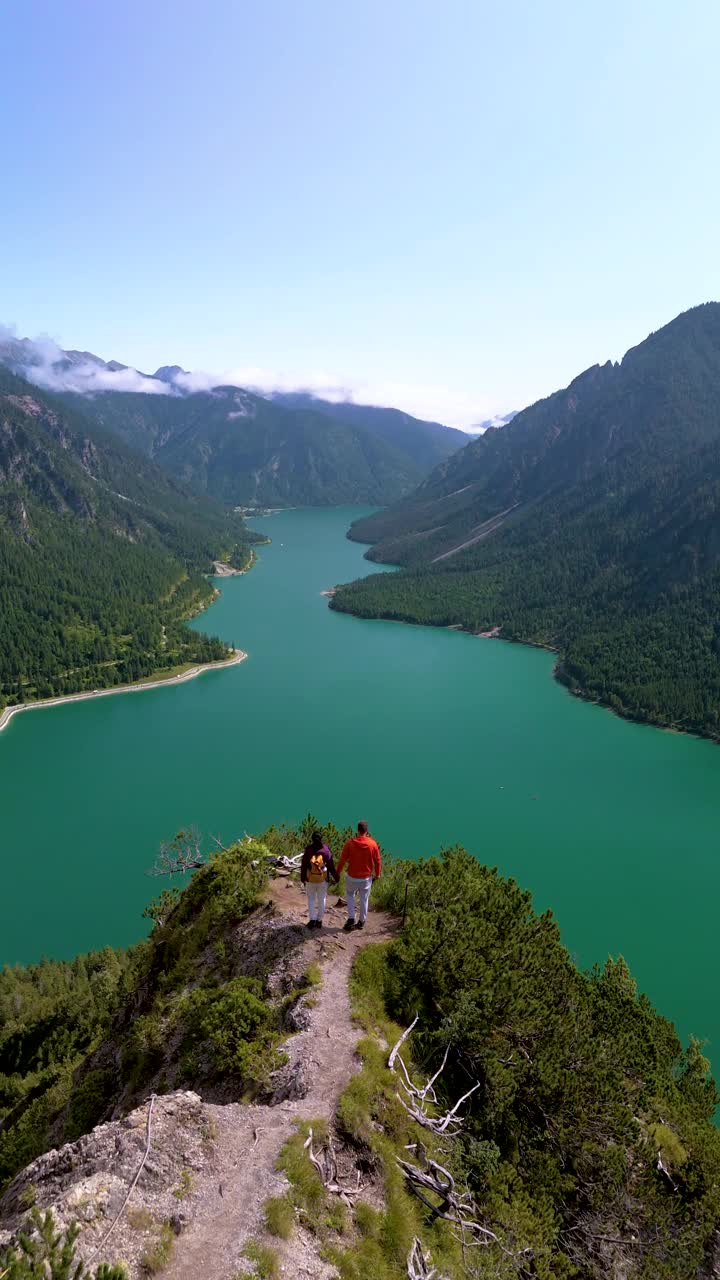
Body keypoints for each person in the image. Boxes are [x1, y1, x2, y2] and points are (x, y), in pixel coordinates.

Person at [336, 821, 382, 932]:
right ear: (367, 831)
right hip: (366, 878)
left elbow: (342, 860)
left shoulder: (350, 843)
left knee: (350, 895)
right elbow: (377, 861)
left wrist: (337, 872)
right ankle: (361, 922)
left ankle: (351, 918)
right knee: (364, 899)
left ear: (358, 830)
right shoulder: (373, 844)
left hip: (352, 876)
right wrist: (378, 874)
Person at [300, 831, 338, 929]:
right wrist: (336, 877)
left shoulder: (308, 850)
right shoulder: (326, 850)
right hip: (322, 879)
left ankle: (312, 920)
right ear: (321, 839)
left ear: (312, 839)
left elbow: (304, 865)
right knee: (322, 899)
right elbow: (331, 866)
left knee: (311, 899)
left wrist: (303, 878)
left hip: (310, 879)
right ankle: (319, 920)